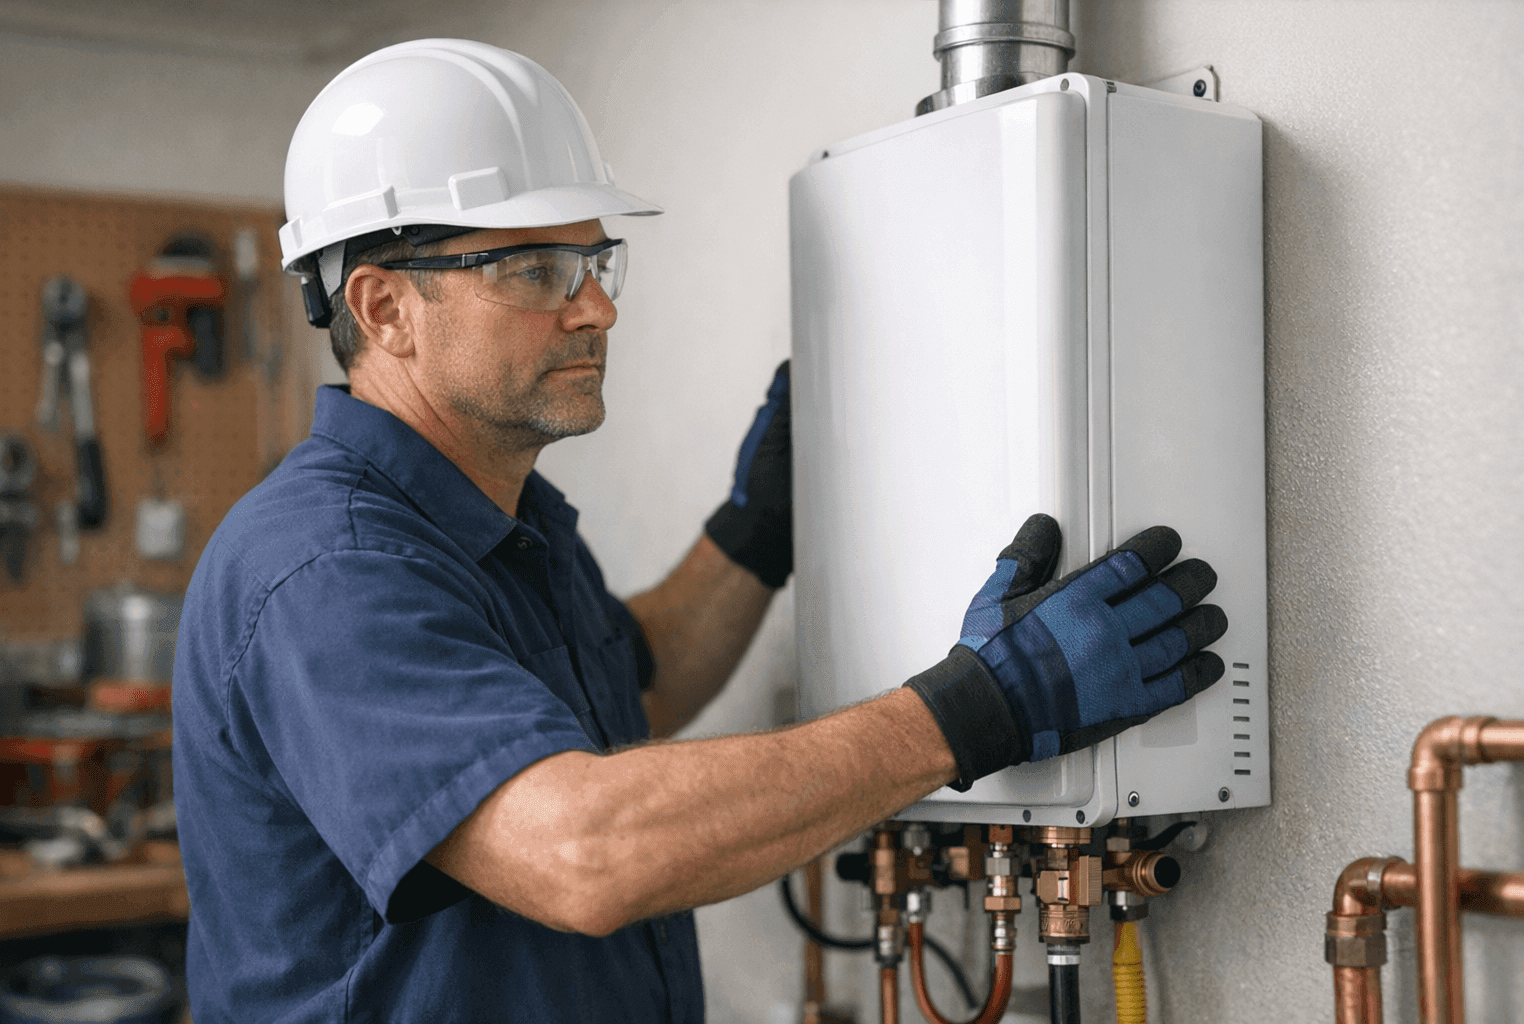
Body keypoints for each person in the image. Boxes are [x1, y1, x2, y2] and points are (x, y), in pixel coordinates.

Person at [172, 39, 1228, 1023]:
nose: (597, 309)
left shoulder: (501, 517)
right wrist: (978, 708)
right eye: (536, 269)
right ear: (385, 307)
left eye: (597, 263)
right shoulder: (327, 567)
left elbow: (639, 683)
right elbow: (582, 850)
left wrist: (755, 531)